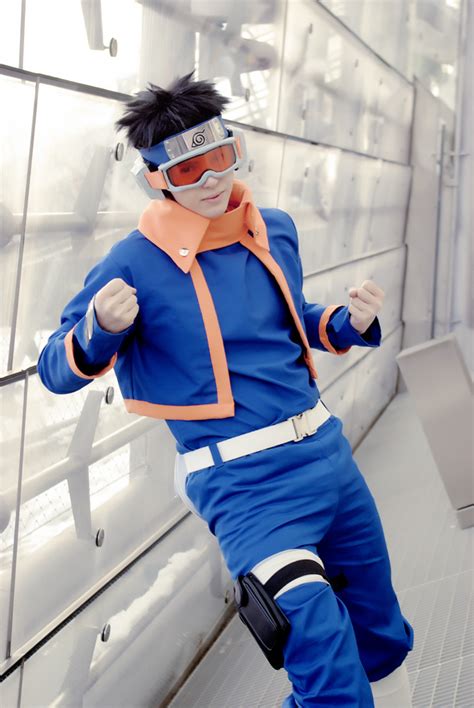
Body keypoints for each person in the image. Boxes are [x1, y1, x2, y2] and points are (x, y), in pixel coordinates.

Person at [38, 72, 413, 707]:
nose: (212, 180)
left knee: (380, 633)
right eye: (189, 171)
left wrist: (347, 323)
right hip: (246, 489)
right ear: (156, 179)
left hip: (328, 455)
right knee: (322, 661)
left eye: (221, 156)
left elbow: (290, 321)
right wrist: (99, 327)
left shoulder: (274, 229)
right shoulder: (132, 263)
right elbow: (56, 367)